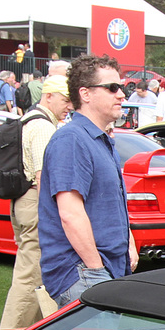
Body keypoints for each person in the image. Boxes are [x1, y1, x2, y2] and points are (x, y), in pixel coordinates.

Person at [38, 55, 138, 307]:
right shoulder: (71, 139)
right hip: (82, 272)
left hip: (103, 270)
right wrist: (95, 270)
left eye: (122, 88)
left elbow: (111, 203)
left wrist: (129, 245)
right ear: (85, 94)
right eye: (112, 88)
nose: (121, 95)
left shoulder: (99, 139)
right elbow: (70, 214)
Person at [0, 76, 71, 330]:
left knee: (32, 270)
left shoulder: (27, 120)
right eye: (65, 100)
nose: (69, 106)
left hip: (22, 201)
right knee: (30, 275)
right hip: (34, 201)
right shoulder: (43, 127)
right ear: (48, 96)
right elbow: (43, 176)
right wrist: (54, 215)